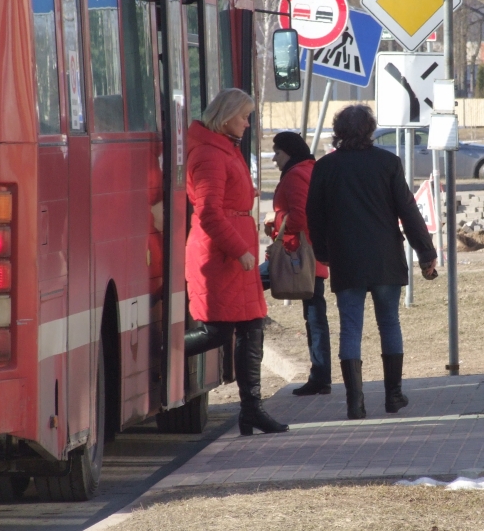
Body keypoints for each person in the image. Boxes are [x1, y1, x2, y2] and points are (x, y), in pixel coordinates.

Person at [306, 105, 438, 420]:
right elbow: (408, 211)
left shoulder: (325, 167)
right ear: (370, 130)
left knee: (350, 328)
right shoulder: (388, 163)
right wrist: (426, 254)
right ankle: (393, 397)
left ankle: (355, 403)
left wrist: (323, 252)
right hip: (385, 258)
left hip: (346, 258)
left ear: (338, 131)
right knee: (389, 322)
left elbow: (314, 216)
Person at [183, 88, 288, 436]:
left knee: (251, 326)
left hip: (233, 254)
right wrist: (239, 249)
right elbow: (209, 212)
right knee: (217, 331)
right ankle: (162, 357)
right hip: (220, 257)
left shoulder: (223, 148)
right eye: (244, 116)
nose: (247, 122)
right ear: (226, 116)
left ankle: (252, 410)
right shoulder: (211, 154)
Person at [264, 131, 332, 396]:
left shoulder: (294, 176)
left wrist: (275, 219)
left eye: (277, 153)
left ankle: (321, 376)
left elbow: (301, 218)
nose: (274, 159)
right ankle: (321, 375)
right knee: (316, 316)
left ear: (289, 152)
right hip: (312, 256)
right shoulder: (308, 169)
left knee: (247, 285)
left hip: (295, 258)